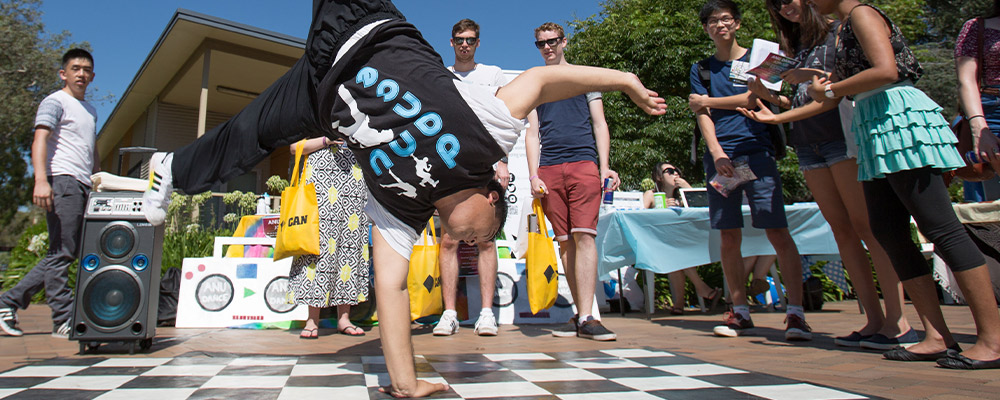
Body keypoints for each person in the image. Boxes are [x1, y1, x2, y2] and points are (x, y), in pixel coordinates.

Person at [140, 1, 666, 396]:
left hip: (317, 90)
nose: (468, 238)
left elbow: (390, 292)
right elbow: (545, 78)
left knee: (250, 136)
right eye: (481, 232)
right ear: (491, 192)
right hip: (364, 27)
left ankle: (170, 169)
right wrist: (625, 81)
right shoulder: (488, 135)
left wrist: (407, 382)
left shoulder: (405, 210)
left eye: (473, 240)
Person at [805, 0, 1000, 369]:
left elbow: (885, 70)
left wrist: (831, 90)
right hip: (873, 122)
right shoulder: (844, 24)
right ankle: (937, 335)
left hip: (898, 119)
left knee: (941, 226)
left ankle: (993, 339)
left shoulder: (862, 13)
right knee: (888, 231)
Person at [736, 0, 916, 350]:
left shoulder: (840, 32)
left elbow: (841, 87)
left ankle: (899, 321)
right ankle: (874, 321)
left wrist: (784, 108)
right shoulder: (792, 47)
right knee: (842, 231)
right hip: (807, 143)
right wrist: (767, 97)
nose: (785, 7)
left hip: (842, 138)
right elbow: (800, 102)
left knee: (867, 227)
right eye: (777, 4)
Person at [687, 0, 811, 341]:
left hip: (758, 152)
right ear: (706, 28)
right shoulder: (701, 68)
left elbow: (761, 99)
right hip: (722, 160)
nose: (720, 25)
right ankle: (739, 310)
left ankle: (796, 313)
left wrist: (707, 101)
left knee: (777, 230)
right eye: (712, 21)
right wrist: (715, 151)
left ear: (737, 23)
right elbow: (699, 115)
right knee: (728, 234)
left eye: (725, 19)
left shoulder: (763, 58)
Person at [526, 22, 617, 341]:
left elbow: (599, 123)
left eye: (552, 41)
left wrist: (604, 167)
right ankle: (581, 313)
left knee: (585, 237)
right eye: (541, 43)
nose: (547, 47)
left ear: (564, 42)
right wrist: (533, 174)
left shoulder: (584, 77)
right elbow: (533, 132)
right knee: (565, 241)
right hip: (549, 170)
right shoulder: (535, 84)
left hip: (583, 164)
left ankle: (590, 314)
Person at [0, 49, 99, 339]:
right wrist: (41, 180)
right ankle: (63, 318)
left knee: (64, 251)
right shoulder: (55, 101)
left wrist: (97, 179)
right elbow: (40, 139)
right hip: (62, 181)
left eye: (86, 70)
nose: (81, 74)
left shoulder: (90, 110)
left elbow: (91, 149)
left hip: (82, 183)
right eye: (75, 68)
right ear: (63, 73)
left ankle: (7, 303)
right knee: (62, 252)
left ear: (92, 76)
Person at [433, 18, 507, 337]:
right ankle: (449, 313)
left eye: (471, 40)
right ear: (451, 42)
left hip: (484, 160)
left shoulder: (492, 74)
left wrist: (502, 161)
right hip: (448, 162)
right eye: (460, 39)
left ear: (478, 43)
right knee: (449, 238)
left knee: (486, 239)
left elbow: (505, 116)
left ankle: (487, 313)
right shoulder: (441, 76)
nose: (465, 44)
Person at [287, 137, 369, 338]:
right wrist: (326, 140)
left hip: (354, 176)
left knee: (350, 244)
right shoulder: (311, 110)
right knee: (318, 245)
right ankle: (312, 320)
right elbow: (294, 147)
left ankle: (344, 319)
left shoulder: (358, 109)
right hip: (320, 178)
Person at [641, 162, 722, 315]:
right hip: (655, 243)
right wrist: (660, 209)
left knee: (675, 252)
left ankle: (679, 304)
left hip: (685, 242)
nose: (675, 174)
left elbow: (701, 208)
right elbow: (639, 215)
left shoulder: (682, 197)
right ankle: (702, 289)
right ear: (659, 176)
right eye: (669, 171)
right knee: (674, 251)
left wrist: (686, 188)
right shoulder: (651, 195)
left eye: (677, 171)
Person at [957, 0, 1000, 198]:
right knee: (994, 204)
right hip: (992, 115)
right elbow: (967, 81)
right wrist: (979, 130)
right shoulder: (976, 27)